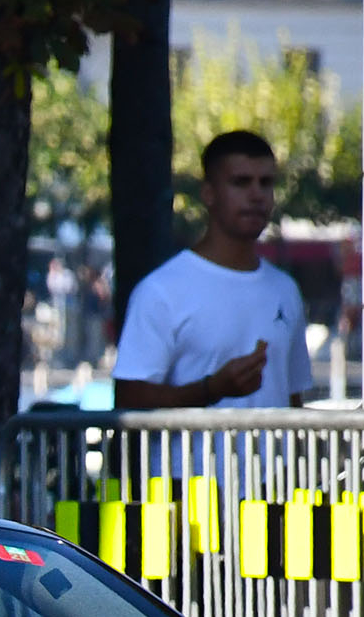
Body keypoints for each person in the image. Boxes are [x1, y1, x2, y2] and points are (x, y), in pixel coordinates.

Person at [113, 130, 312, 409]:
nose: (257, 195)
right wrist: (210, 389)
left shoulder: (285, 289)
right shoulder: (162, 290)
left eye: (266, 183)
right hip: (190, 454)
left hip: (273, 455)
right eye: (241, 182)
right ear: (209, 193)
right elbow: (129, 399)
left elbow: (292, 398)